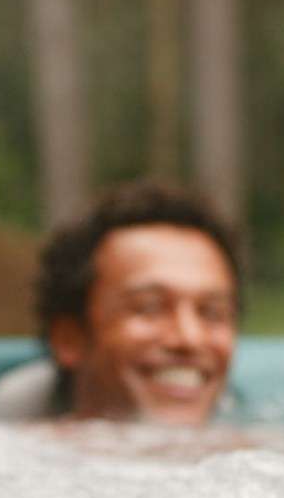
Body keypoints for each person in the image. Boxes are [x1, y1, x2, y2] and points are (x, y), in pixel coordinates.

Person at [31, 183, 241, 426]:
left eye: (212, 313)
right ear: (68, 338)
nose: (189, 338)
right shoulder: (9, 442)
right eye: (150, 308)